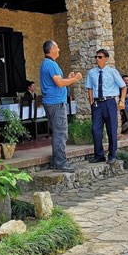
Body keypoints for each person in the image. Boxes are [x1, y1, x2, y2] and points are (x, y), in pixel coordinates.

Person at [39, 40, 83, 172]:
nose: (59, 49)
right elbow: (59, 83)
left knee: (59, 132)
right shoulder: (50, 64)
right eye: (57, 47)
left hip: (53, 102)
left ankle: (57, 160)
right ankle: (60, 163)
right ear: (52, 49)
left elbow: (59, 81)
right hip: (55, 103)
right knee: (61, 133)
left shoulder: (48, 64)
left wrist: (68, 78)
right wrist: (75, 79)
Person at [86, 49, 126, 165]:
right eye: (96, 57)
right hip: (97, 104)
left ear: (106, 59)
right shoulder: (92, 73)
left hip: (109, 102)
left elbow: (123, 87)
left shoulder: (112, 72)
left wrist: (122, 101)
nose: (97, 59)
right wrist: (91, 101)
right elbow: (89, 87)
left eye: (99, 57)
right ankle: (99, 155)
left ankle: (112, 155)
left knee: (111, 129)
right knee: (95, 130)